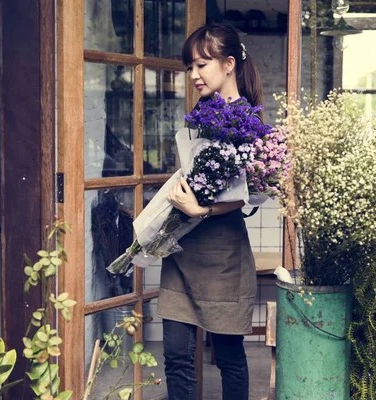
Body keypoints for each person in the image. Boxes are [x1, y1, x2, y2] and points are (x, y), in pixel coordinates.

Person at [157, 22, 263, 400]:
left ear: (229, 63)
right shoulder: (201, 114)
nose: (194, 75)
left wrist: (202, 209)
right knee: (175, 353)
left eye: (201, 65)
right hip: (183, 248)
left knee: (229, 356)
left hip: (223, 255)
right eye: (190, 67)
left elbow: (251, 193)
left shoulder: (250, 122)